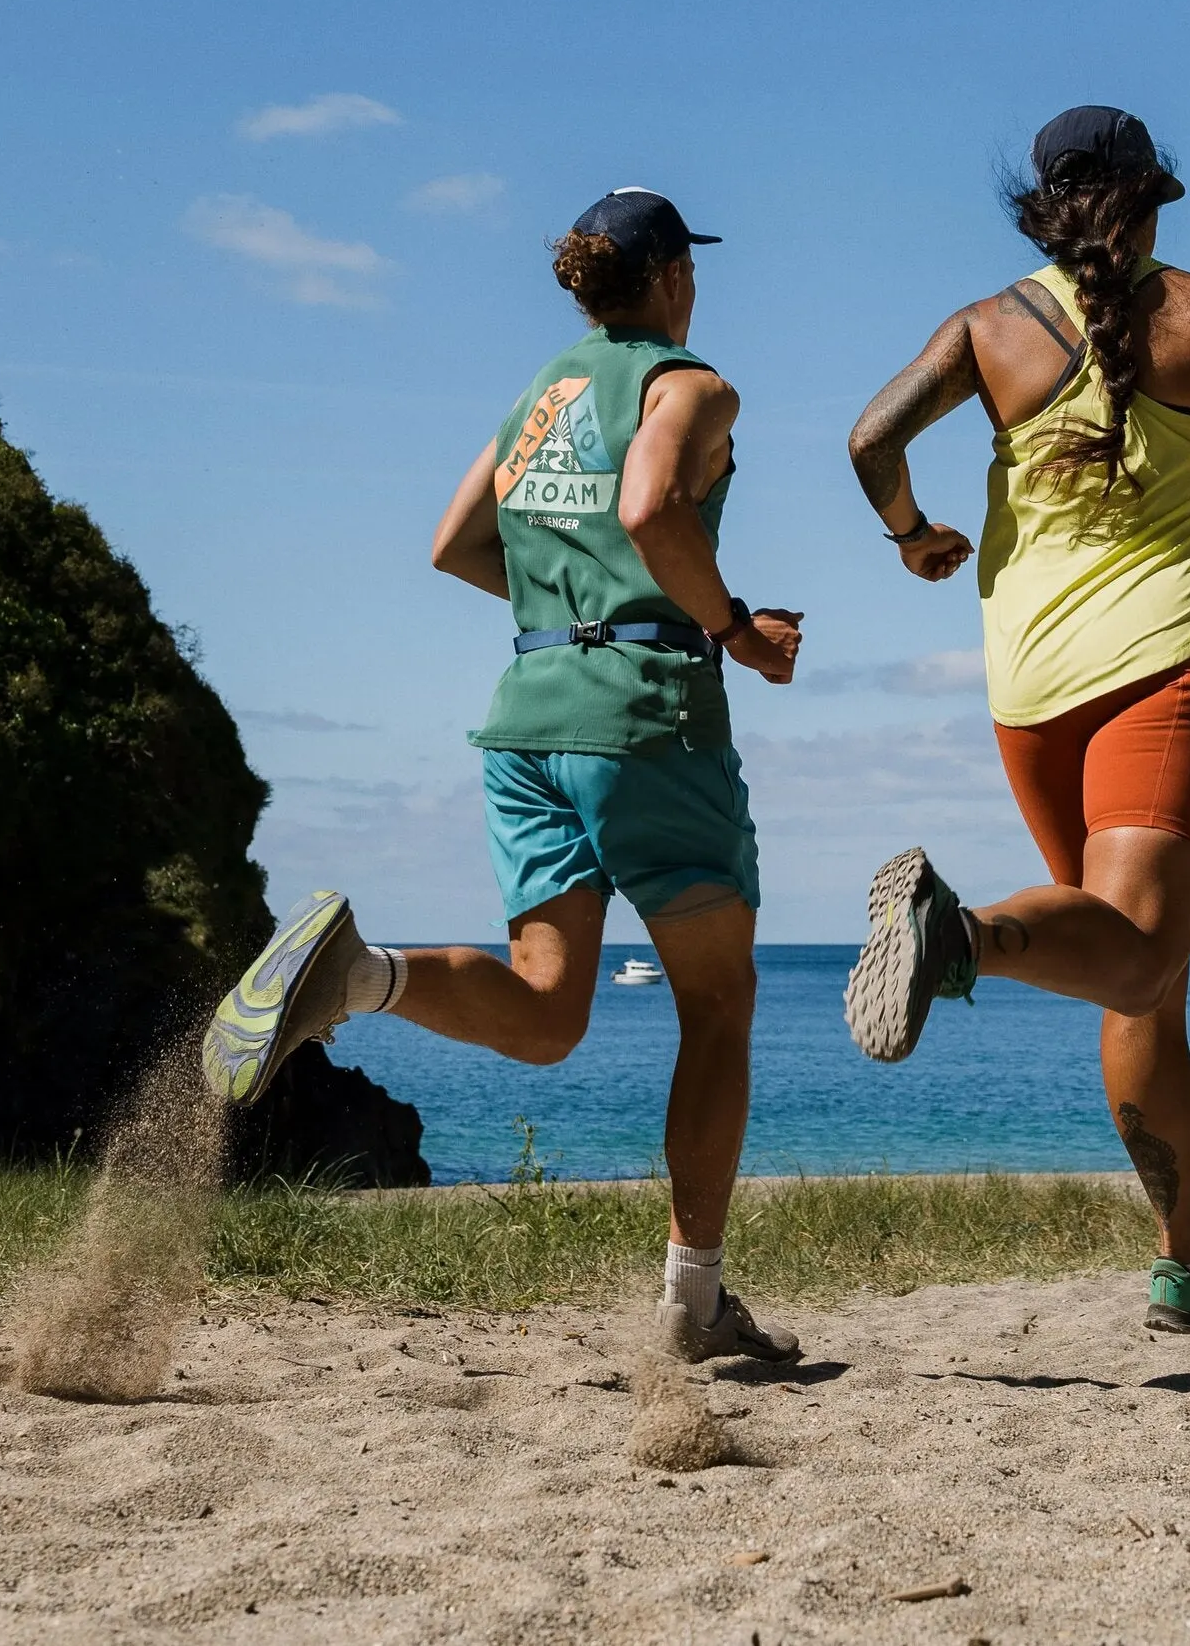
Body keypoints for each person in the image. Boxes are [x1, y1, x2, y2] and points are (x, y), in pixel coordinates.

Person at [201, 188, 805, 1364]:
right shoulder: (688, 384)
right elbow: (649, 503)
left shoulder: (541, 395)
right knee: (718, 1004)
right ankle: (691, 1302)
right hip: (646, 722)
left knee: (545, 1012)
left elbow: (453, 545)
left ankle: (356, 977)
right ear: (673, 273)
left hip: (524, 719)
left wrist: (564, 610)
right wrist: (727, 626)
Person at [840, 107, 1190, 1331]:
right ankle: (957, 937)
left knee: (1129, 976)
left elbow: (868, 437)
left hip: (1028, 692)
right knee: (1141, 950)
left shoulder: (986, 327)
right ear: (1150, 200)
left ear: (1046, 209)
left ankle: (1184, 1256)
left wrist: (912, 535)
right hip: (1164, 668)